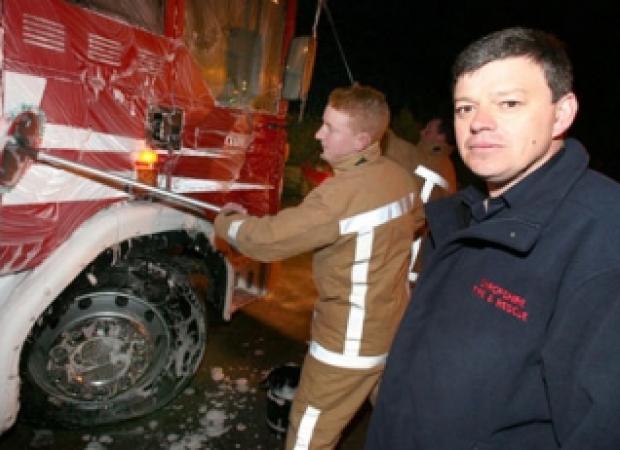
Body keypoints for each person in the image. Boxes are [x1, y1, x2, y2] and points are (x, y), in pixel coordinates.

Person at [366, 27, 620, 449]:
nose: (479, 123)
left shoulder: (603, 237)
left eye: (509, 103)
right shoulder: (463, 215)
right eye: (465, 108)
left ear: (562, 114)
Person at [213, 84, 423, 449]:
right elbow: (415, 223)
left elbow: (268, 240)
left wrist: (227, 222)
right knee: (394, 426)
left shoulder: (340, 196)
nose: (317, 134)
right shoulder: (399, 178)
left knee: (310, 431)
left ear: (361, 141)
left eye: (330, 128)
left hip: (348, 343)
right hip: (393, 330)